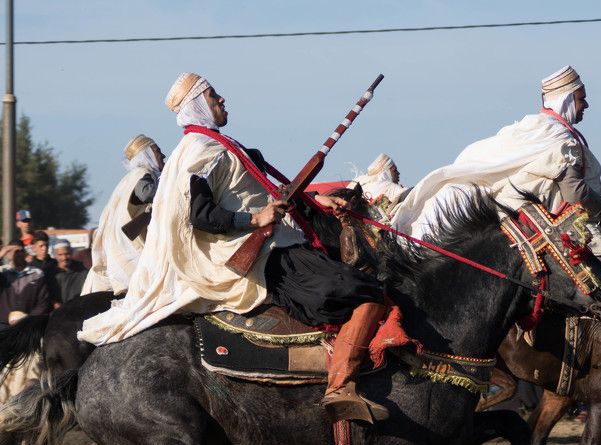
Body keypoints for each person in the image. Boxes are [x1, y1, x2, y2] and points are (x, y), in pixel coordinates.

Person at [78, 73, 386, 423]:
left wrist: (316, 199)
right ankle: (340, 387)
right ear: (196, 104)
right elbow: (202, 214)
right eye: (212, 96)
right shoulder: (199, 152)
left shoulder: (217, 145)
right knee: (368, 293)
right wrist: (254, 221)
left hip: (280, 244)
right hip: (267, 257)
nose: (222, 99)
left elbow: (265, 195)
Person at [391, 65, 601, 241]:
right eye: (582, 99)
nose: (587, 105)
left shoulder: (531, 127)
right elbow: (575, 195)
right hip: (546, 228)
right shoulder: (558, 138)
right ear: (568, 99)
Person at [81, 133, 166, 295]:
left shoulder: (128, 179)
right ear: (146, 154)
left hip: (119, 241)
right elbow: (145, 194)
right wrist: (170, 186)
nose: (162, 155)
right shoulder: (142, 173)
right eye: (157, 151)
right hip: (127, 245)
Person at [0, 243, 50, 326]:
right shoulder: (3, 271)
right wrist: (2, 253)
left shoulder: (37, 274)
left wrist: (27, 319)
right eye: (16, 251)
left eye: (21, 251)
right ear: (8, 254)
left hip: (28, 326)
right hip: (4, 324)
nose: (19, 254)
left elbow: (43, 302)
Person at [51, 239, 88, 304]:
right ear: (55, 255)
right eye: (60, 255)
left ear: (71, 253)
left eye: (67, 254)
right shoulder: (50, 273)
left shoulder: (82, 271)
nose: (64, 258)